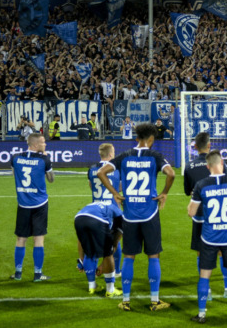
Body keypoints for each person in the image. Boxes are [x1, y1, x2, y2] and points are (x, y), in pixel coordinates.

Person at [97, 122, 177, 312]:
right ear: (151, 139)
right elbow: (171, 173)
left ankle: (125, 301)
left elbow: (101, 172)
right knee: (153, 256)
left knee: (129, 256)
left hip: (130, 214)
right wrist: (164, 192)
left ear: (136, 138)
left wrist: (115, 193)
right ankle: (155, 301)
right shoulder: (155, 156)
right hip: (149, 213)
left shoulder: (124, 156)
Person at [187, 151, 227, 324]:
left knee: (204, 276)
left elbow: (191, 212)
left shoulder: (201, 185)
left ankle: (201, 315)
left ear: (208, 167)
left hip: (209, 237)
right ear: (222, 163)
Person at [184, 132, 227, 298]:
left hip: (199, 214)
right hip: (218, 213)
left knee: (200, 251)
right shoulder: (219, 164)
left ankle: (207, 290)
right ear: (209, 145)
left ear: (195, 147)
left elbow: (187, 191)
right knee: (222, 250)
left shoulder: (189, 166)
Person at [10, 132, 54, 282]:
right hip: (40, 204)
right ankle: (37, 274)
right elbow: (51, 179)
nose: (45, 144)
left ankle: (17, 273)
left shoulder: (15, 158)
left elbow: (14, 175)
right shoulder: (44, 159)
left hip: (23, 203)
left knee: (21, 239)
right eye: (43, 142)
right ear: (35, 145)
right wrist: (47, 159)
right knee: (38, 239)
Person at [85, 143, 122, 278]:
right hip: (111, 210)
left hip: (95, 211)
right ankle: (116, 271)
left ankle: (92, 276)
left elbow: (91, 186)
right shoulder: (117, 169)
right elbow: (119, 188)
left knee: (94, 243)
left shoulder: (92, 169)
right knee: (114, 241)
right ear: (111, 154)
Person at [73, 199, 124, 297]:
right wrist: (103, 265)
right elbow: (114, 244)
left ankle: (92, 286)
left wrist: (81, 260)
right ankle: (110, 290)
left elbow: (80, 240)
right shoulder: (120, 215)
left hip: (78, 218)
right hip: (97, 220)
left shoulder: (96, 205)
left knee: (90, 252)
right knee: (108, 253)